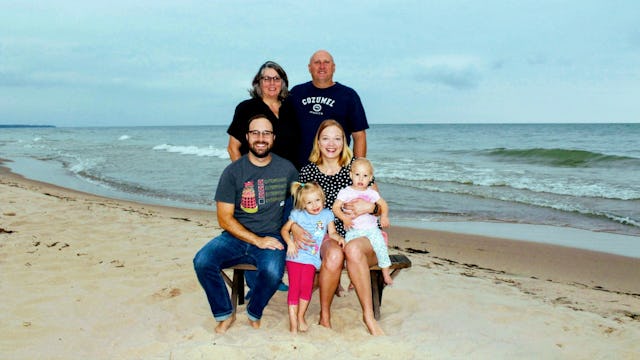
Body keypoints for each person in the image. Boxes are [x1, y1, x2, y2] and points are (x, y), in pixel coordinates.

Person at [193, 115, 298, 334]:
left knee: (272, 272)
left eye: (266, 133)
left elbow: (301, 204)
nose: (261, 138)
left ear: (273, 138)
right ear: (248, 137)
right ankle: (224, 312)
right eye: (256, 133)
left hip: (272, 236)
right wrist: (256, 241)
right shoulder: (233, 172)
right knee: (202, 261)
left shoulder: (287, 169)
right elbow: (224, 218)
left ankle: (254, 310)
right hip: (235, 237)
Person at [294, 119, 384, 335]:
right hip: (325, 233)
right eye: (325, 138)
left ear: (345, 142)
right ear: (318, 142)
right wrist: (297, 228)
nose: (331, 143)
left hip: (361, 232)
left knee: (352, 250)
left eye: (337, 138)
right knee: (334, 256)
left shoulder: (355, 169)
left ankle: (368, 316)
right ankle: (325, 314)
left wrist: (370, 207)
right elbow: (300, 208)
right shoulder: (308, 172)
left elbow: (380, 207)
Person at [281, 181, 344, 333]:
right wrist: (289, 242)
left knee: (306, 287)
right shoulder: (297, 215)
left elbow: (332, 232)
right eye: (309, 202)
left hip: (312, 258)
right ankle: (293, 322)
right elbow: (284, 230)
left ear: (323, 199)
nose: (314, 205)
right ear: (303, 205)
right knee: (294, 287)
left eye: (317, 200)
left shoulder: (327, 214)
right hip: (295, 256)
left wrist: (338, 238)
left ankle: (301, 316)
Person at [290, 50, 369, 167]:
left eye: (326, 62)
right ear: (309, 67)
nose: (322, 66)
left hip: (336, 170)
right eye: (317, 62)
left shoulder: (348, 95)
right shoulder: (296, 92)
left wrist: (358, 169)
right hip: (300, 170)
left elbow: (359, 136)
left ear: (333, 67)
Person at [227, 60, 301, 169]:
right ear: (259, 82)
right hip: (259, 177)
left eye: (276, 78)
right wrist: (245, 176)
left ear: (282, 82)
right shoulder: (246, 108)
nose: (272, 83)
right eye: (266, 79)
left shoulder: (291, 108)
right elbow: (232, 148)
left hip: (290, 177)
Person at [332, 158, 392, 285]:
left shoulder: (371, 193)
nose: (360, 179)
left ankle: (386, 273)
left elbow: (383, 204)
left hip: (372, 230)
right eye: (357, 175)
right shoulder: (346, 192)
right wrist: (344, 218)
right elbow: (335, 207)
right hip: (353, 231)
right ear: (351, 175)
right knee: (348, 254)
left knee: (381, 248)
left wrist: (384, 216)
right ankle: (353, 280)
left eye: (365, 176)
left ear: (370, 178)